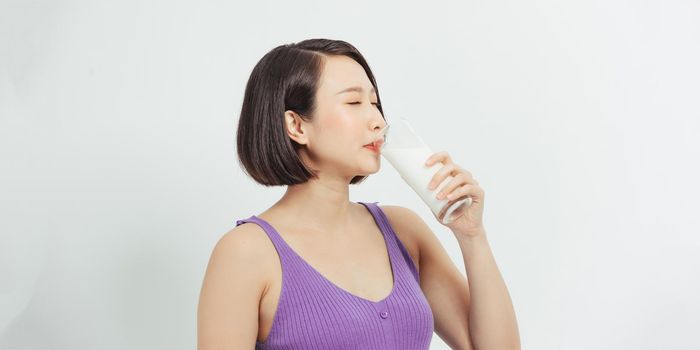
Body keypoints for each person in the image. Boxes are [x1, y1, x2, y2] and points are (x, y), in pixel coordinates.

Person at [197, 38, 520, 350]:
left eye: (375, 103)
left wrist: (472, 236)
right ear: (296, 126)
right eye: (353, 102)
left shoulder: (403, 231)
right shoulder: (246, 253)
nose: (378, 121)